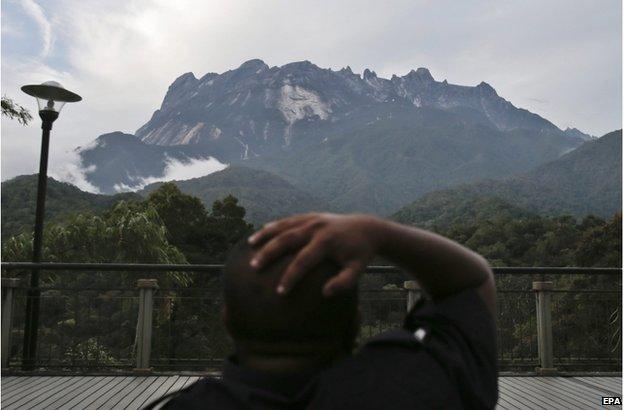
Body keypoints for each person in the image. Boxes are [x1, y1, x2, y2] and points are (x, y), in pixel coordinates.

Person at [147, 213, 498, 409]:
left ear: (227, 321)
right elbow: (474, 282)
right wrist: (378, 233)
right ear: (356, 318)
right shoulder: (419, 386)